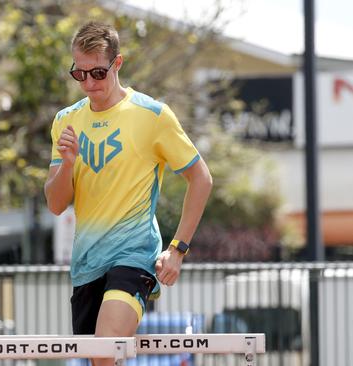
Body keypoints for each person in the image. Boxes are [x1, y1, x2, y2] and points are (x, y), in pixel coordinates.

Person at [44, 21, 212, 365]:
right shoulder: (66, 120)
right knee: (100, 360)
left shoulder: (152, 115)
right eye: (80, 74)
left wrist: (177, 249)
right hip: (87, 262)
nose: (89, 83)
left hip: (134, 256)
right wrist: (67, 163)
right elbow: (56, 204)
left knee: (106, 350)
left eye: (98, 73)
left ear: (117, 64)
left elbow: (201, 179)